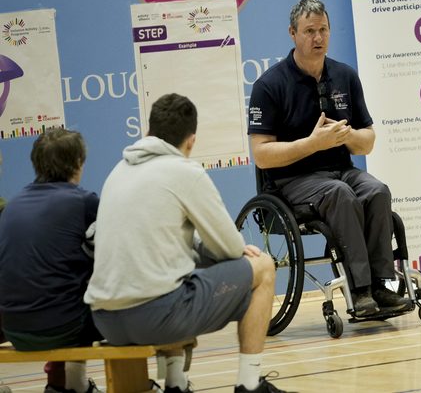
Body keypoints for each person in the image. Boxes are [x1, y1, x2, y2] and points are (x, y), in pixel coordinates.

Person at [84, 94, 286, 393]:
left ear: (148, 132)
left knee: (174, 271)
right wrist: (216, 248)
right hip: (156, 317)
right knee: (264, 267)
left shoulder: (118, 171)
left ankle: (176, 383)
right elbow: (230, 249)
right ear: (191, 142)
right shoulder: (184, 171)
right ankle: (250, 383)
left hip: (105, 320)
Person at [247, 0, 413, 317]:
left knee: (377, 190)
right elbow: (262, 155)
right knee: (341, 195)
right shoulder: (269, 85)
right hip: (292, 180)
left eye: (323, 30)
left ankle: (381, 284)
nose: (318, 38)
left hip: (341, 170)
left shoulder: (345, 76)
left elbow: (367, 143)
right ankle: (360, 291)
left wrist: (346, 135)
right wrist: (312, 143)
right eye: (309, 31)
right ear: (292, 33)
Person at [0, 129, 101, 393]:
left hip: (14, 329)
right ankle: (77, 386)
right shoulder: (84, 202)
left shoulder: (12, 206)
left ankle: (61, 383)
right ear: (79, 163)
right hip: (63, 328)